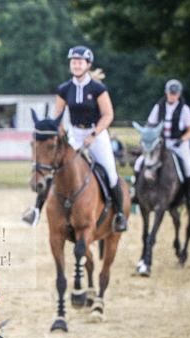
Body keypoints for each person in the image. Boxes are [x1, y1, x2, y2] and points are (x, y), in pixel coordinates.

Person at [21, 46, 127, 233]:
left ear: (88, 65)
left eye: (80, 63)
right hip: (74, 134)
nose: (76, 65)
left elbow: (108, 114)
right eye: (73, 62)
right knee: (53, 170)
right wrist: (61, 136)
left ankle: (119, 214)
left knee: (110, 173)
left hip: (97, 134)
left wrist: (94, 135)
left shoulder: (97, 88)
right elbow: (58, 117)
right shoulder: (65, 88)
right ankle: (36, 210)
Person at [137, 79, 190, 207]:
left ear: (179, 95)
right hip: (160, 144)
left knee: (188, 166)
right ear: (166, 93)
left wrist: (181, 140)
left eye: (174, 94)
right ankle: (138, 193)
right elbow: (150, 124)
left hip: (179, 143)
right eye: (170, 93)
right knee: (139, 163)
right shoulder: (158, 107)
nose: (172, 96)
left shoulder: (184, 109)